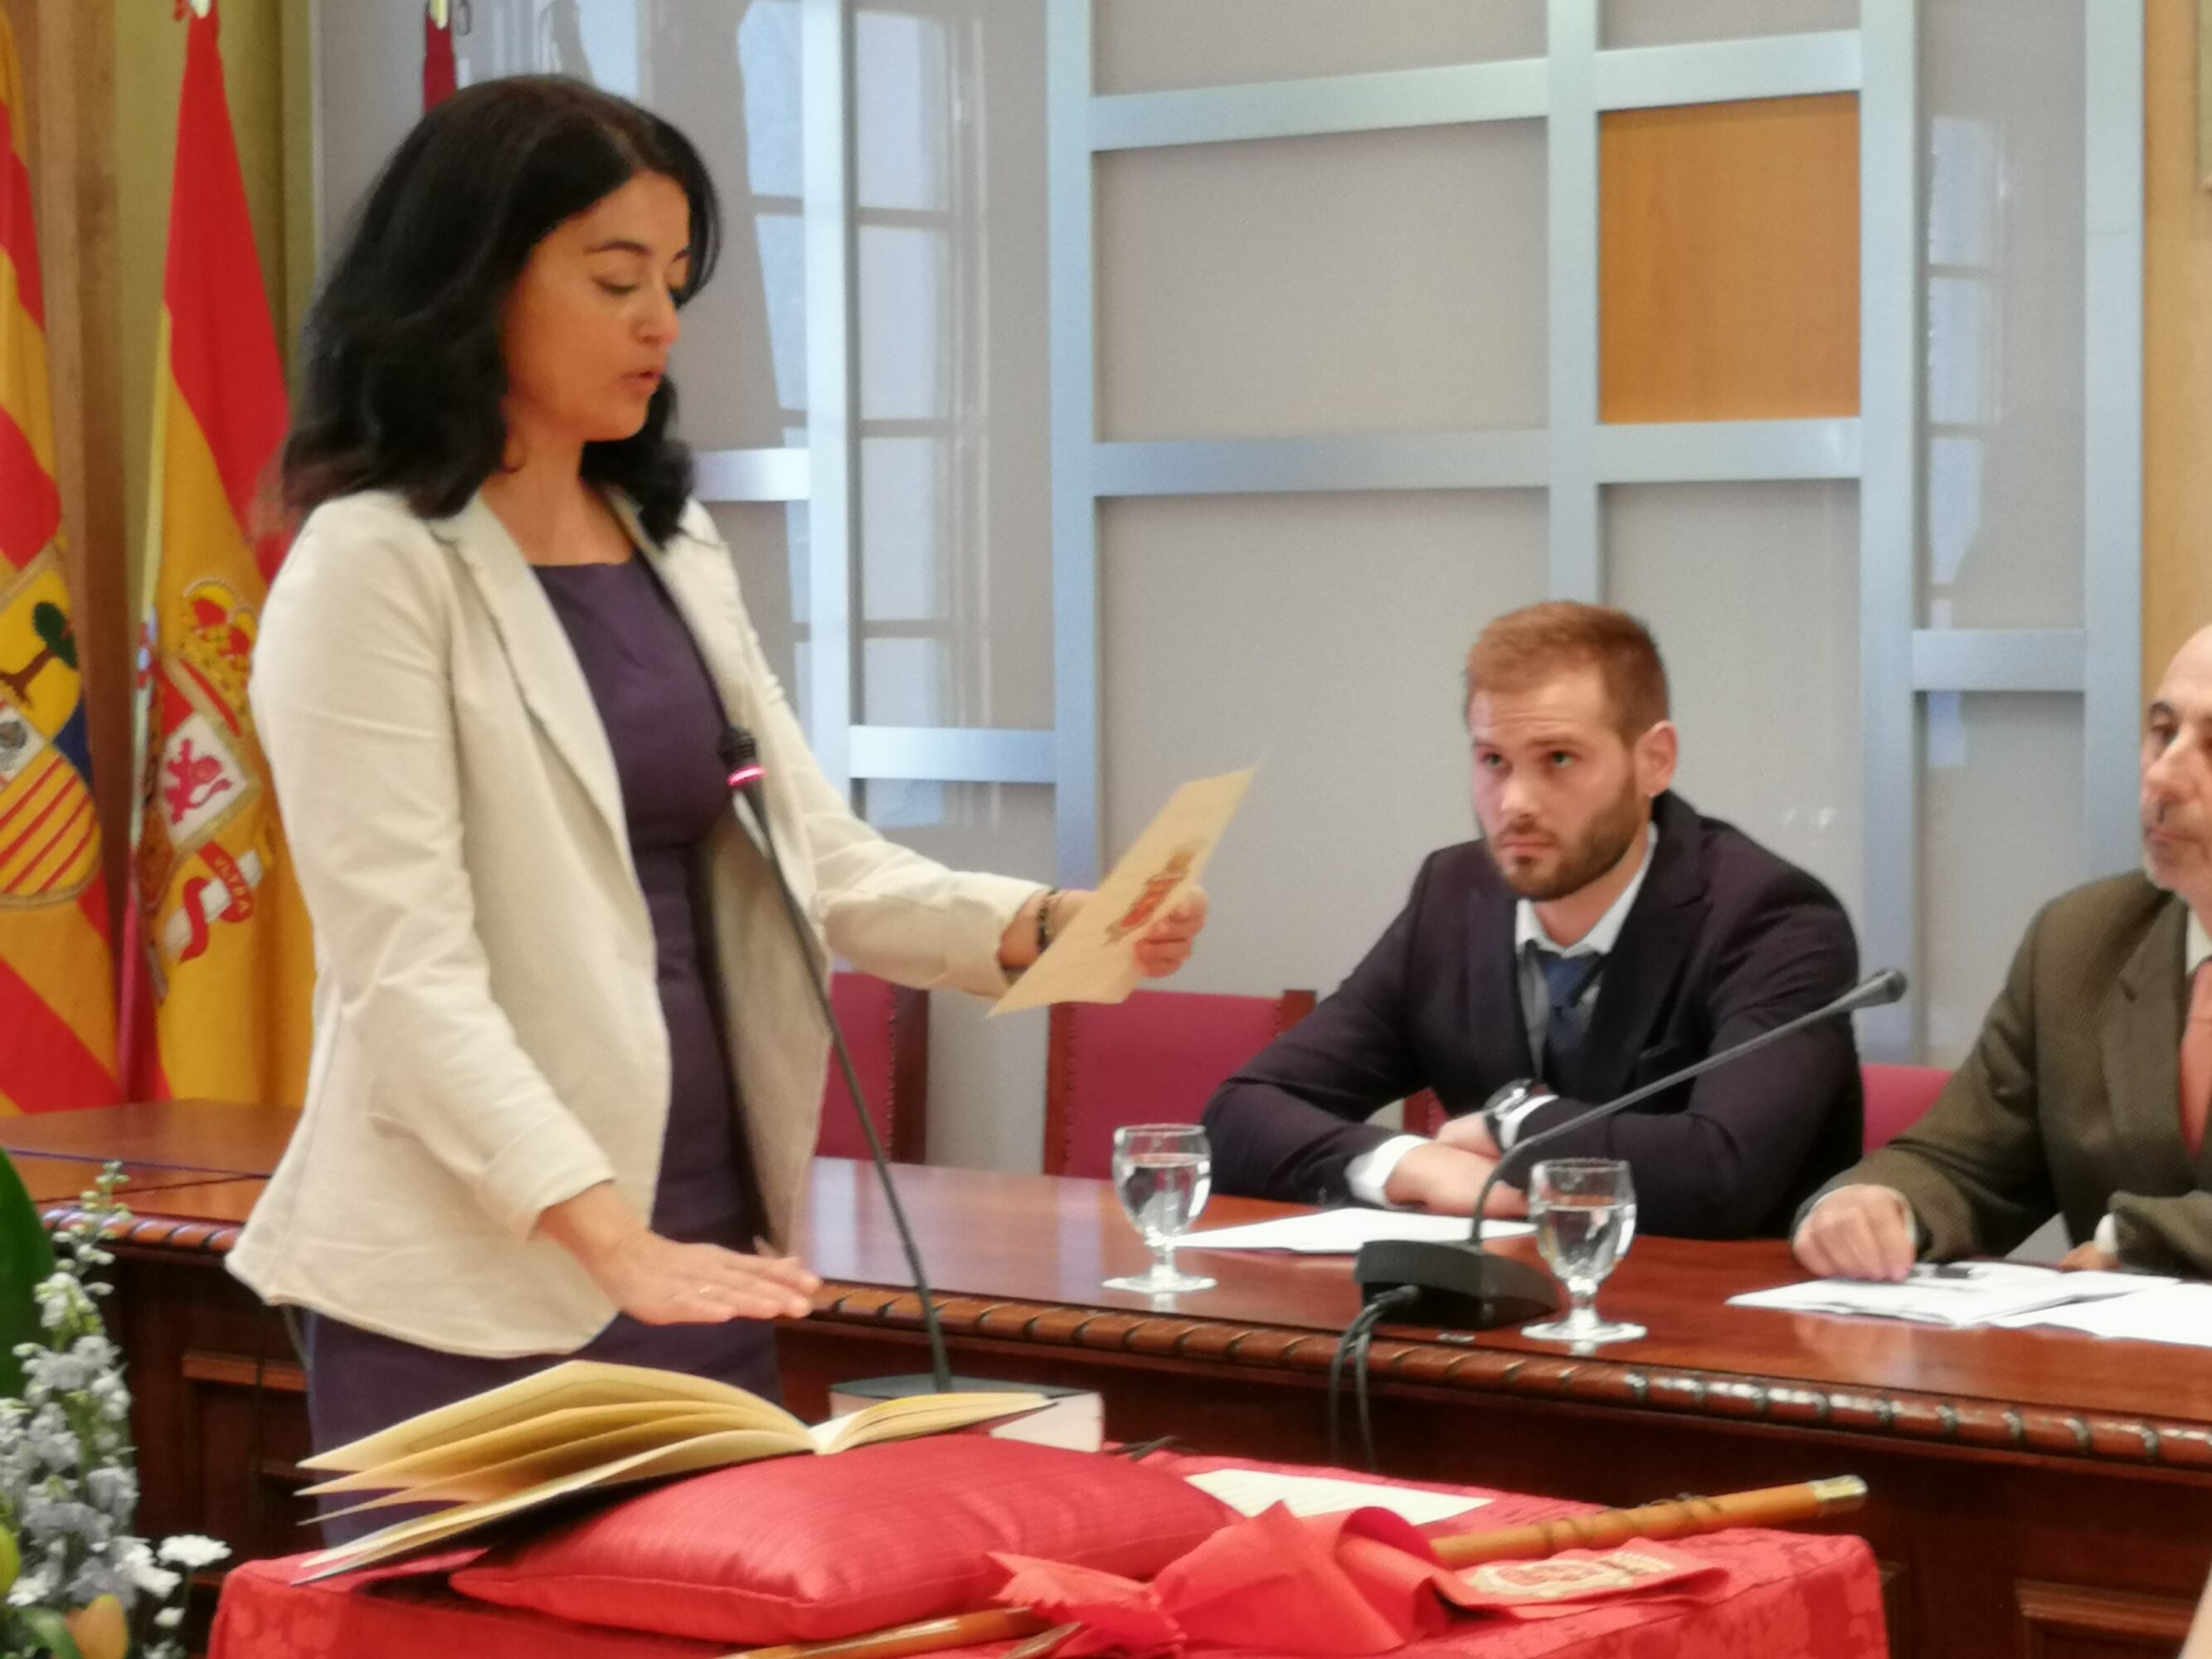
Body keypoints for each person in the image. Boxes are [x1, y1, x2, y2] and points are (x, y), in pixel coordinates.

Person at [226, 76, 1205, 1525]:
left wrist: (1047, 926)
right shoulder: (372, 565)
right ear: (476, 281)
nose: (661, 324)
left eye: (674, 282)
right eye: (615, 277)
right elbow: (405, 970)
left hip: (704, 1244)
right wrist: (605, 1239)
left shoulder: (667, 543)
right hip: (477, 1276)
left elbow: (813, 856)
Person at [1201, 602, 1862, 1239]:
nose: (1515, 803)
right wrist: (1407, 1165)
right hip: (1496, 1297)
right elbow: (1240, 1114)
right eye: (1493, 761)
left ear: (1654, 761)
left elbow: (1721, 1172)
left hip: (1710, 1308)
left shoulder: (1771, 917)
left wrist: (1515, 1126)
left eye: (1558, 759)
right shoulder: (1451, 896)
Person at [1793, 624, 2212, 1282]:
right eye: (2162, 733)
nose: (2162, 777)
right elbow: (1963, 1163)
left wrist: (2135, 1238)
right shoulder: (2083, 942)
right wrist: (1877, 1205)